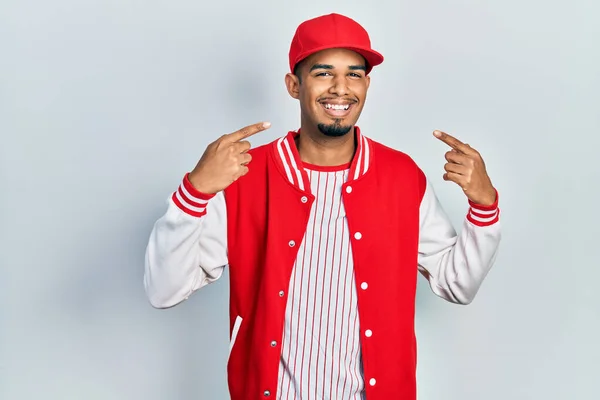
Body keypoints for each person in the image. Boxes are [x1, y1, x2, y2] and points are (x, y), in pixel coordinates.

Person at [143, 12, 501, 400]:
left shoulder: (401, 177)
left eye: (354, 74)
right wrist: (194, 193)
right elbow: (165, 291)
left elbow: (458, 285)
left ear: (367, 84)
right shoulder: (244, 176)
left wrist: (483, 206)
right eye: (323, 73)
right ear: (294, 85)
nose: (340, 89)